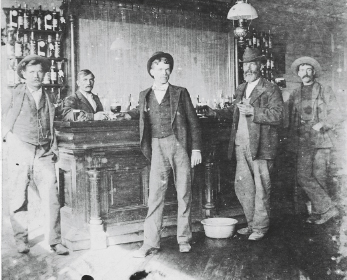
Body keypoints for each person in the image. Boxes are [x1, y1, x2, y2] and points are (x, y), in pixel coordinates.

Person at [123, 51, 202, 257]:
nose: (164, 73)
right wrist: (123, 113)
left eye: (167, 69)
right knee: (155, 196)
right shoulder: (144, 95)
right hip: (156, 146)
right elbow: (139, 114)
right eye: (160, 69)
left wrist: (195, 149)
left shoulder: (180, 92)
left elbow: (194, 123)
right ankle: (150, 243)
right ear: (151, 71)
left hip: (179, 145)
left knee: (184, 193)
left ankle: (184, 239)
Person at [206, 47, 284, 240]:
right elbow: (235, 110)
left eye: (252, 63)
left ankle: (260, 228)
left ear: (260, 65)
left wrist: (254, 111)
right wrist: (214, 112)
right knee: (244, 187)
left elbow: (279, 115)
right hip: (241, 144)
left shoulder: (270, 88)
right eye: (245, 64)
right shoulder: (241, 88)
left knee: (261, 188)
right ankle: (251, 224)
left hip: (261, 146)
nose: (247, 68)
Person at [3, 54, 69, 255]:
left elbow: (52, 123)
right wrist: (7, 140)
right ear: (23, 73)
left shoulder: (49, 96)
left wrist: (53, 147)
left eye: (40, 71)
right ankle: (21, 239)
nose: (36, 75)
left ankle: (55, 241)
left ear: (45, 74)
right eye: (31, 72)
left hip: (43, 151)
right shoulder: (13, 94)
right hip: (20, 150)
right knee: (18, 197)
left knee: (51, 197)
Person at [288, 57, 342, 224]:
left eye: (308, 69)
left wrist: (323, 124)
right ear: (298, 73)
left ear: (313, 72)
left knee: (319, 176)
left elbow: (338, 113)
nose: (305, 73)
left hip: (321, 139)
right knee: (303, 176)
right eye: (302, 70)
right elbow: (290, 118)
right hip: (303, 139)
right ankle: (328, 209)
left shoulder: (324, 90)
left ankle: (321, 213)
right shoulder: (295, 94)